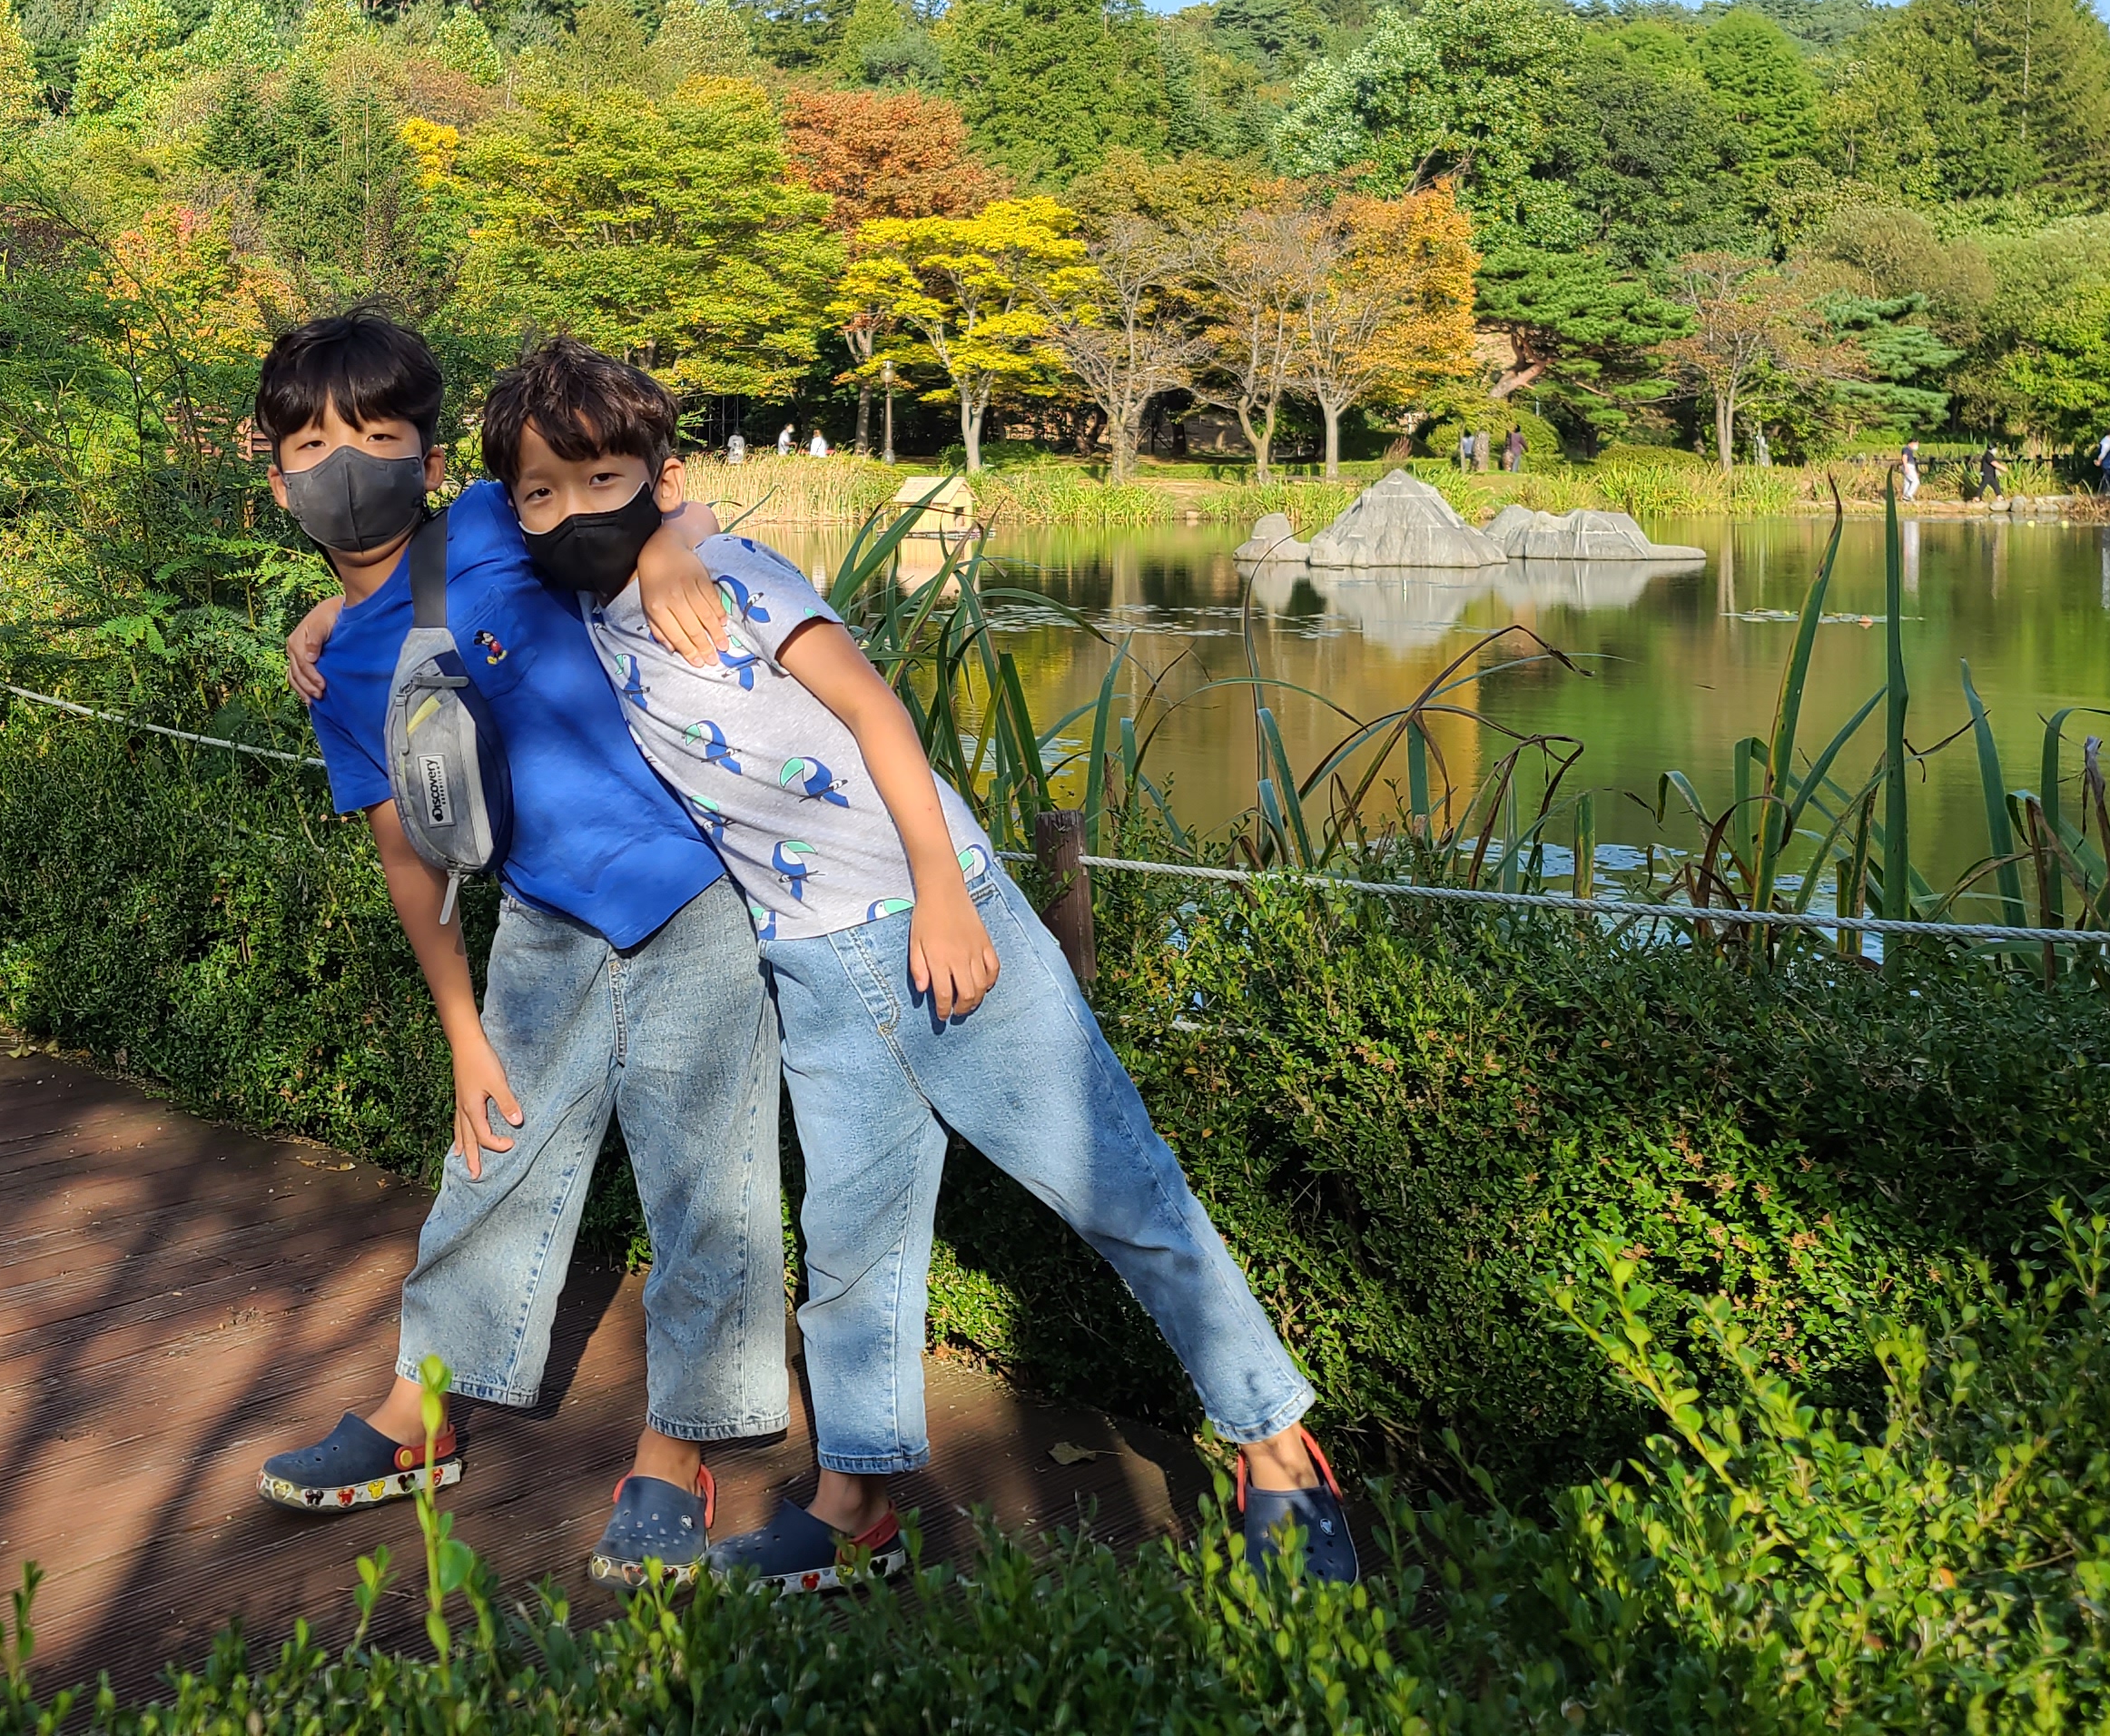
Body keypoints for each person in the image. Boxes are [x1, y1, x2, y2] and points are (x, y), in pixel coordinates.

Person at [301, 341, 1359, 1593]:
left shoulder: (734, 576)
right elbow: (428, 580)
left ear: (660, 479)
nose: (574, 509)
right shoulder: (574, 607)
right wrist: (331, 617)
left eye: (604, 484)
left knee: (1123, 1194)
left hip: (937, 924)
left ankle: (1278, 1447)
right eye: (543, 493)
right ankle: (855, 1505)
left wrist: (941, 894)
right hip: (805, 963)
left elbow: (875, 712)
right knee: (854, 1248)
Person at [249, 312, 787, 1583]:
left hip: (697, 888)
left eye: (379, 436)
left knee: (707, 1180)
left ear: (432, 460)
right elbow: (408, 858)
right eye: (314, 445)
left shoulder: (491, 520)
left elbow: (663, 498)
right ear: (276, 477)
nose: (348, 465)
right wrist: (462, 1034)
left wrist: (673, 546)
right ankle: (421, 1412)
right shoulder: (338, 669)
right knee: (491, 1156)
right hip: (543, 920)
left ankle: (677, 1453)